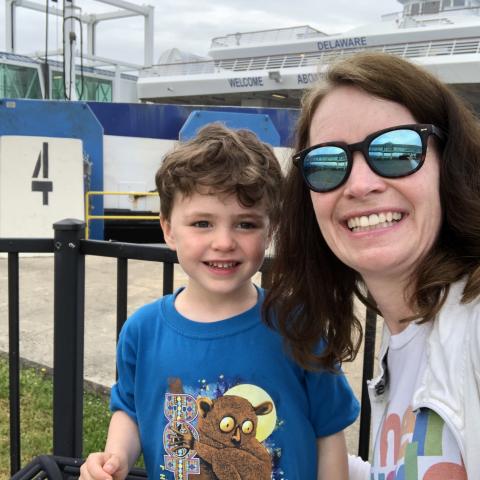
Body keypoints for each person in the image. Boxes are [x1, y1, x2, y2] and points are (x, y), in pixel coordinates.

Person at [79, 123, 359, 480]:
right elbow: (131, 412)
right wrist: (114, 457)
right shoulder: (142, 331)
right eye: (202, 223)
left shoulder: (298, 324)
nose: (224, 242)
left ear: (270, 229)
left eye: (245, 224)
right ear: (167, 228)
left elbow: (329, 432)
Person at [263, 51, 480, 480]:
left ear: (448, 164)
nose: (360, 185)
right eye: (329, 163)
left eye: (397, 150)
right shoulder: (407, 335)